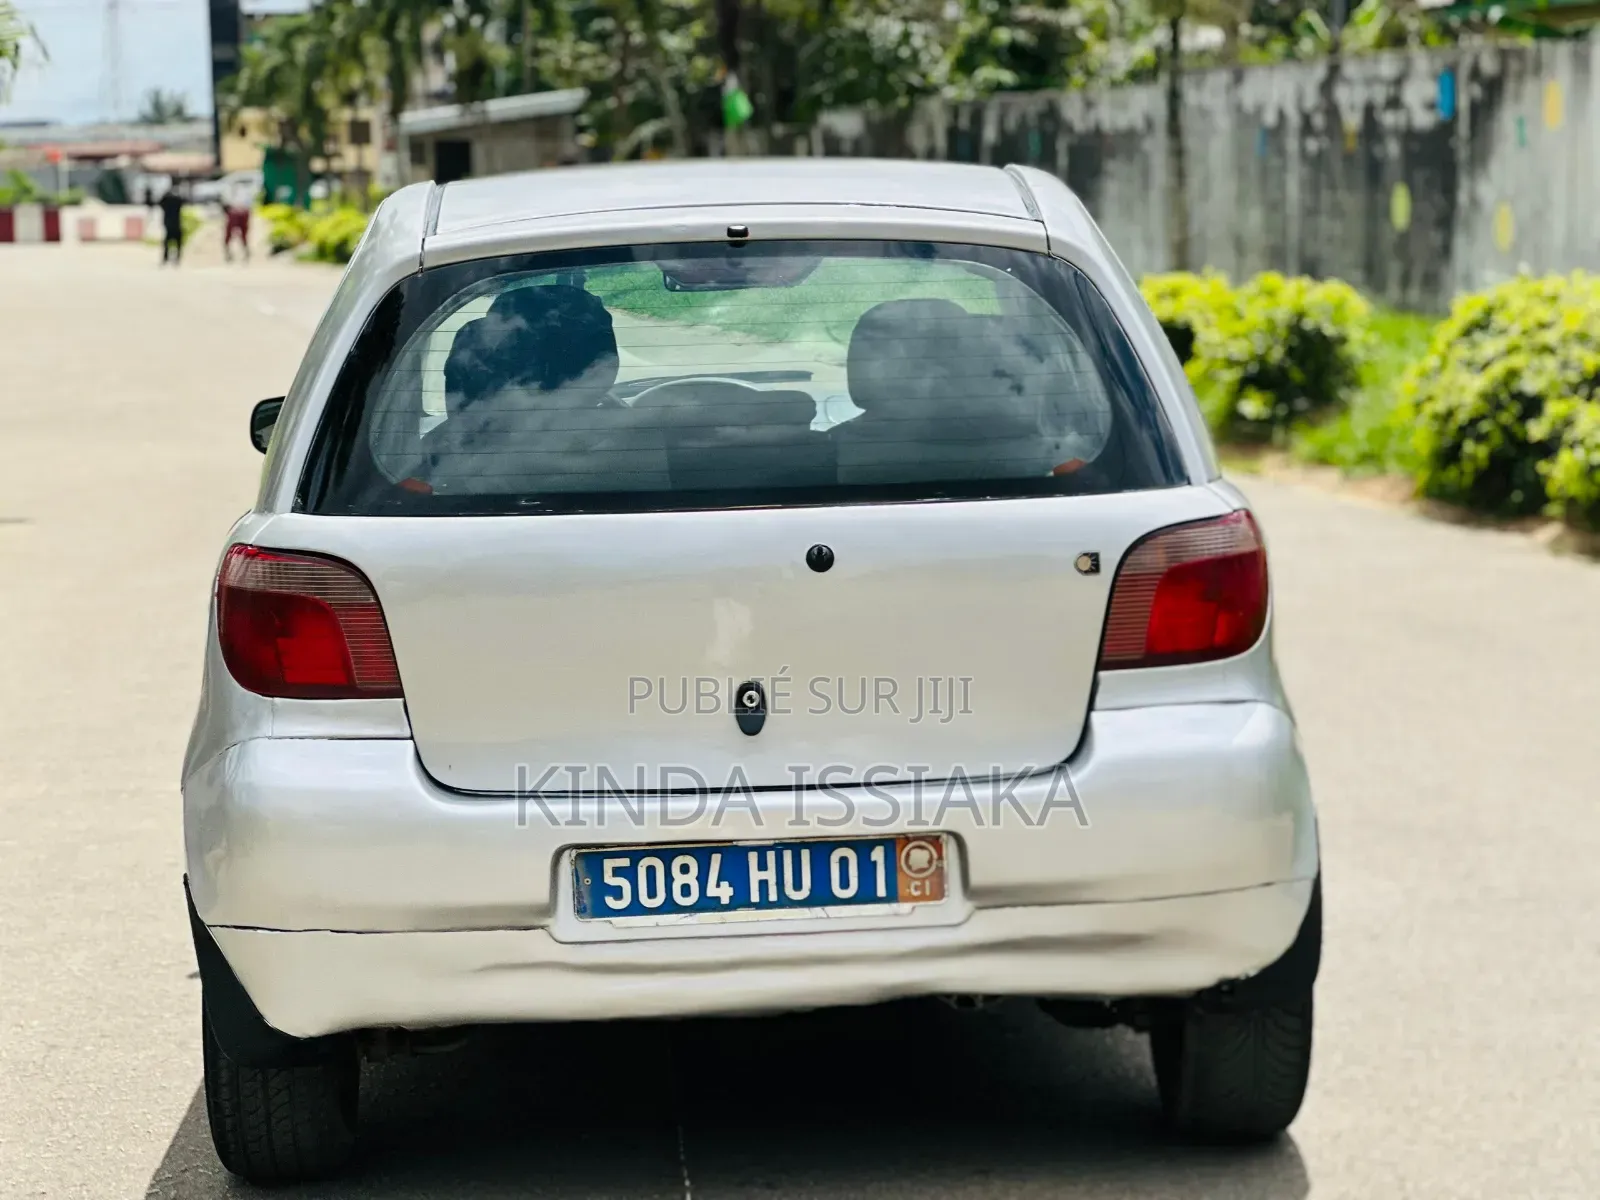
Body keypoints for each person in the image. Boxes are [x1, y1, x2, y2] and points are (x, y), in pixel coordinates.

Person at [222, 176, 254, 264]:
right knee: (229, 234)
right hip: (234, 213)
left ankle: (245, 252)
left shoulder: (245, 192)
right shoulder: (229, 190)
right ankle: (228, 253)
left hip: (242, 213)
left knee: (243, 235)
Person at [158, 184, 185, 266]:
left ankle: (166, 257)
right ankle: (176, 257)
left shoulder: (166, 200)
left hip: (169, 222)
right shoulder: (177, 199)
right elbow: (182, 203)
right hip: (176, 222)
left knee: (167, 241)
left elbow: (160, 203)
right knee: (177, 241)